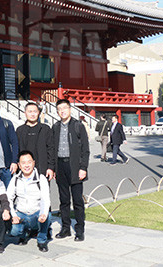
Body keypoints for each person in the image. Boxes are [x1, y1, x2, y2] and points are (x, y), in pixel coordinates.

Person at [53, 99, 89, 241]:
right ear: (57, 111)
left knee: (77, 200)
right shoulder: (55, 127)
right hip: (60, 166)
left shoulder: (78, 125)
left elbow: (85, 149)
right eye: (59, 109)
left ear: (70, 109)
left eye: (65, 108)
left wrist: (83, 168)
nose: (62, 111)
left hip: (74, 166)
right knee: (64, 200)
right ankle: (66, 228)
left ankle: (80, 230)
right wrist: (54, 168)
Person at [7, 150, 51, 252]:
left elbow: (45, 199)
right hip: (22, 215)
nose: (27, 165)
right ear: (19, 165)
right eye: (23, 163)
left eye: (29, 162)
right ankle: (24, 234)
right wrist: (14, 215)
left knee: (47, 216)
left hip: (36, 214)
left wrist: (43, 213)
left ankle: (41, 240)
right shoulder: (15, 179)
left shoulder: (41, 179)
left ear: (34, 163)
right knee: (13, 231)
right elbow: (8, 198)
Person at [15, 102, 55, 179]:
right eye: (30, 112)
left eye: (35, 112)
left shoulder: (45, 129)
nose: (32, 114)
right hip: (25, 169)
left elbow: (51, 149)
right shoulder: (20, 130)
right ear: (25, 113)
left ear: (39, 113)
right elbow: (17, 150)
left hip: (42, 169)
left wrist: (51, 167)